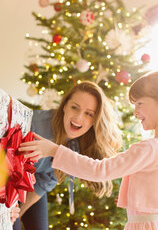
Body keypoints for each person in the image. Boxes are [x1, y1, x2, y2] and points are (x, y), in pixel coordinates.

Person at [20, 70, 158, 230]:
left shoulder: (150, 148)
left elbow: (100, 170)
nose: (135, 111)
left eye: (139, 103)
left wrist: (54, 150)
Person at [13, 81, 122, 230]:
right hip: (9, 180)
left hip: (34, 183)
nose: (78, 117)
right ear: (64, 106)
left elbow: (46, 180)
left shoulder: (79, 144)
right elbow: (9, 167)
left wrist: (20, 212)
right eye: (74, 108)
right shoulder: (34, 124)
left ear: (95, 120)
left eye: (89, 113)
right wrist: (12, 212)